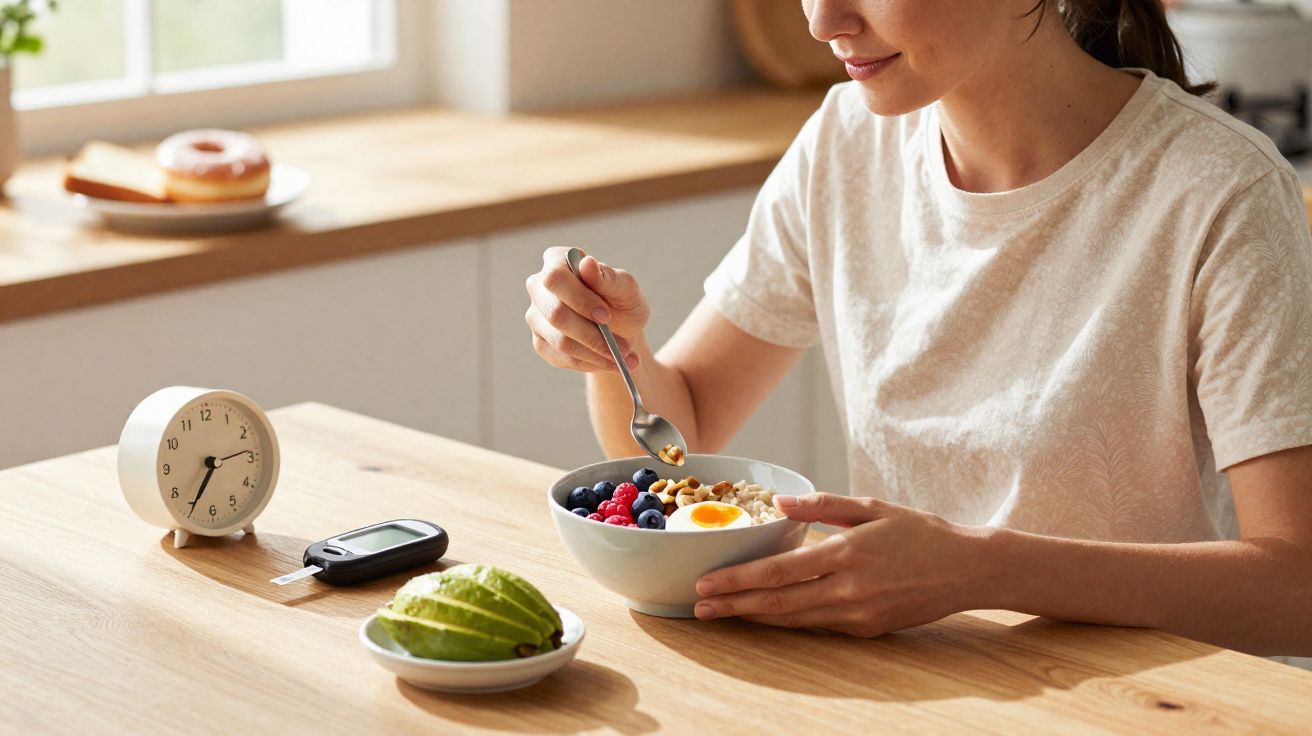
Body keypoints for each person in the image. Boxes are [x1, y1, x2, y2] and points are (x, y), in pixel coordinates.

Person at [523, 0, 1312, 656]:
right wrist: (613, 350)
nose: (822, 20)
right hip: (911, 688)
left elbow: (1296, 588)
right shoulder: (846, 142)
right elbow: (677, 434)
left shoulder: (1220, 192)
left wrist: (985, 571)